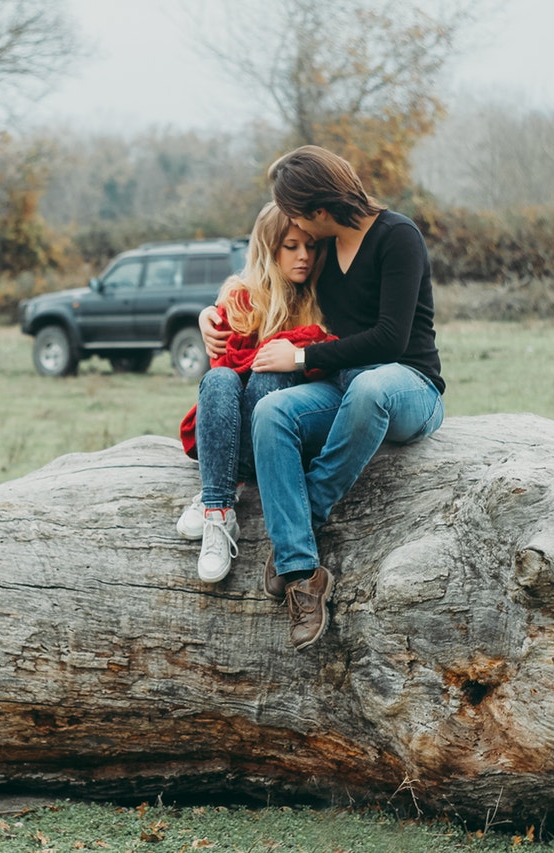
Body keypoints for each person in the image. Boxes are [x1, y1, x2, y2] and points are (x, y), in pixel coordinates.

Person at [205, 145, 445, 651]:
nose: (295, 228)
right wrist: (210, 314)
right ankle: (301, 573)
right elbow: (263, 282)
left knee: (369, 386)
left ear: (317, 208)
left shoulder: (397, 237)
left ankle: (304, 518)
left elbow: (391, 339)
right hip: (341, 385)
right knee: (271, 411)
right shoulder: (322, 251)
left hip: (406, 385)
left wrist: (298, 359)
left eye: (294, 211)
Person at [176, 202, 334, 584]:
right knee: (218, 381)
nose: (304, 257)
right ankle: (219, 513)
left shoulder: (321, 297)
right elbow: (222, 372)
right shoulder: (241, 298)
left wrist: (293, 354)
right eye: (292, 246)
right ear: (268, 248)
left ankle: (218, 490)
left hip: (281, 434)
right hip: (231, 425)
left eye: (311, 247)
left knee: (266, 378)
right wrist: (208, 316)